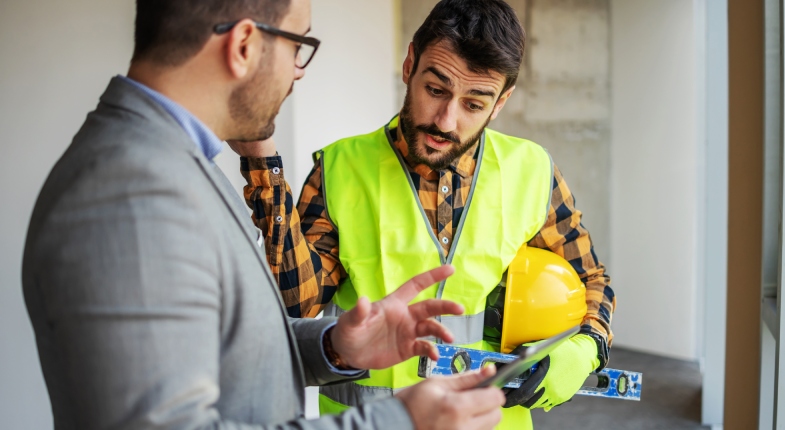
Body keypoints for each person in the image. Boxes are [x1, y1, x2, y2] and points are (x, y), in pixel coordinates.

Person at [21, 0, 508, 429]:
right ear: (244, 46)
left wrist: (334, 347)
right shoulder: (131, 195)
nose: (299, 70)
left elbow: (221, 347)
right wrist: (403, 420)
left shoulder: (175, 163)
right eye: (298, 44)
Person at [229, 0, 617, 428]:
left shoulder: (533, 170)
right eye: (436, 90)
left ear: (501, 101)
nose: (446, 121)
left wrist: (586, 347)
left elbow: (591, 280)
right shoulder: (341, 168)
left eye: (474, 104)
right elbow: (297, 305)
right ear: (410, 63)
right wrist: (263, 165)